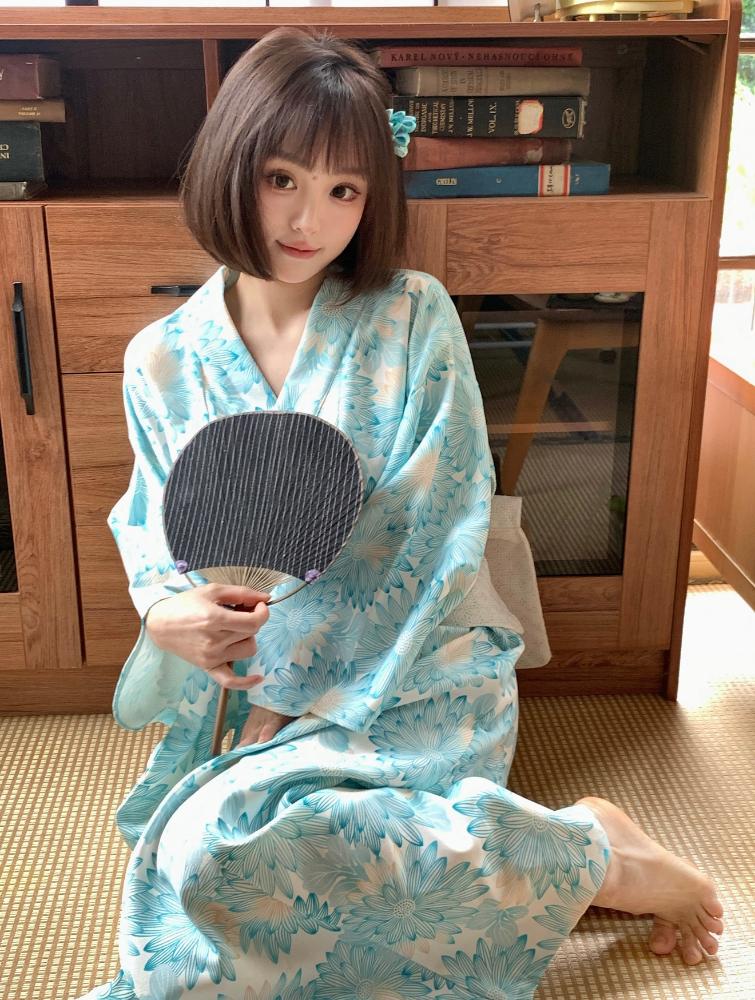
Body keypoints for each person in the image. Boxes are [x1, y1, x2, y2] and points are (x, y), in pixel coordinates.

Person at [80, 26, 723, 1000]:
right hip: (248, 682)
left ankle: (595, 856)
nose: (311, 219)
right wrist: (168, 612)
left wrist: (299, 697)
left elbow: (440, 530)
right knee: (204, 860)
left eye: (344, 190)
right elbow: (154, 524)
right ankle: (566, 850)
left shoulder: (412, 313)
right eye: (282, 179)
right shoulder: (161, 358)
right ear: (229, 164)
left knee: (232, 847)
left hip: (415, 668)